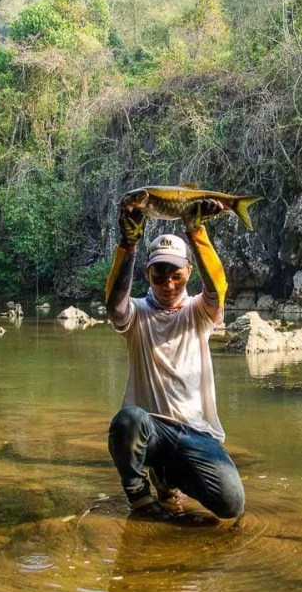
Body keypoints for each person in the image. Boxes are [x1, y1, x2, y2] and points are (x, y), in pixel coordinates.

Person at [103, 200, 245, 520]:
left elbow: (217, 291)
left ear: (188, 273)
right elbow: (115, 307)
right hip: (151, 429)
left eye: (176, 276)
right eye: (160, 275)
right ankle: (139, 496)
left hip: (197, 433)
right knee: (127, 422)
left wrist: (196, 232)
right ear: (148, 273)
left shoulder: (199, 312)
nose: (168, 284)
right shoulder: (137, 313)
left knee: (231, 505)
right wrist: (128, 245)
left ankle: (168, 477)